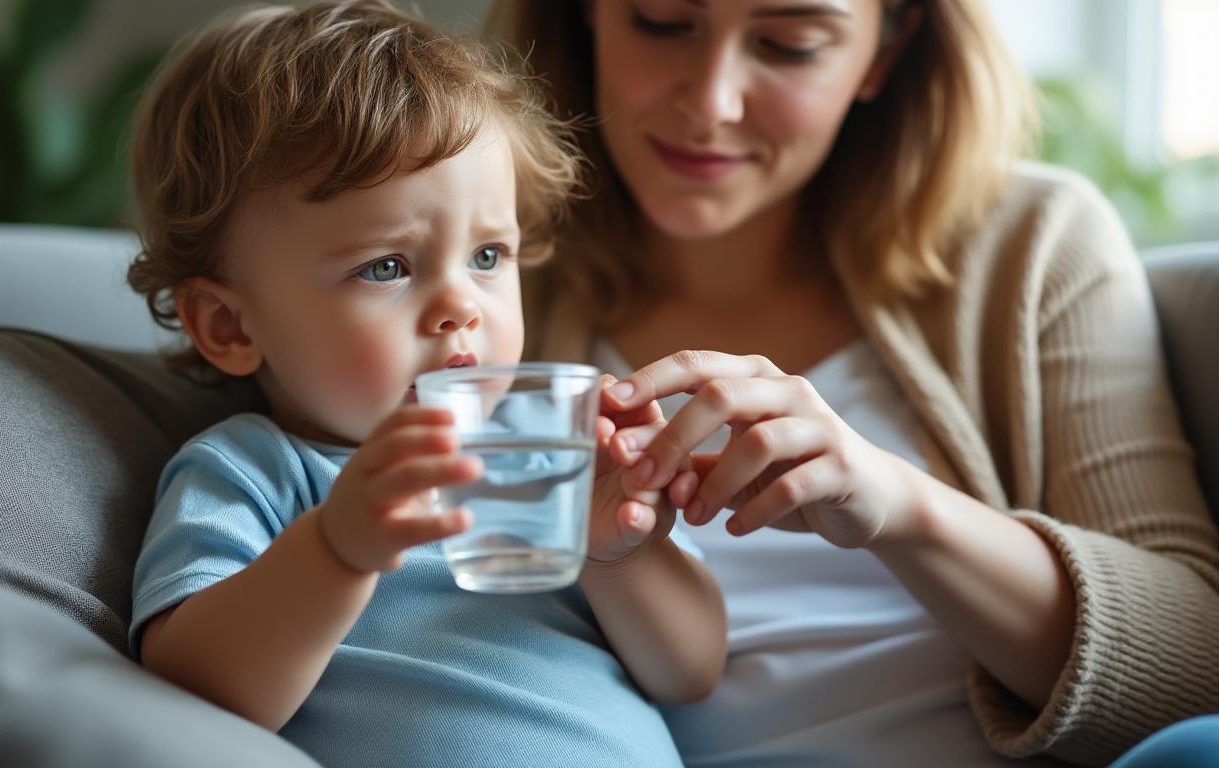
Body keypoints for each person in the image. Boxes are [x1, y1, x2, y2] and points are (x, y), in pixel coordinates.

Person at [487, 0, 1219, 765]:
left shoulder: (1031, 247)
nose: (711, 102)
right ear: (585, 16)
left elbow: (1197, 680)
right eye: (663, 22)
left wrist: (899, 506)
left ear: (885, 50)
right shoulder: (479, 289)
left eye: (788, 44)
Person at [123, 3, 726, 766]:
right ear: (230, 328)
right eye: (387, 267)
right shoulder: (261, 471)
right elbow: (193, 690)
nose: (460, 309)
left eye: (486, 257)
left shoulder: (545, 455)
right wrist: (337, 551)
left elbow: (693, 670)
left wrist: (614, 554)